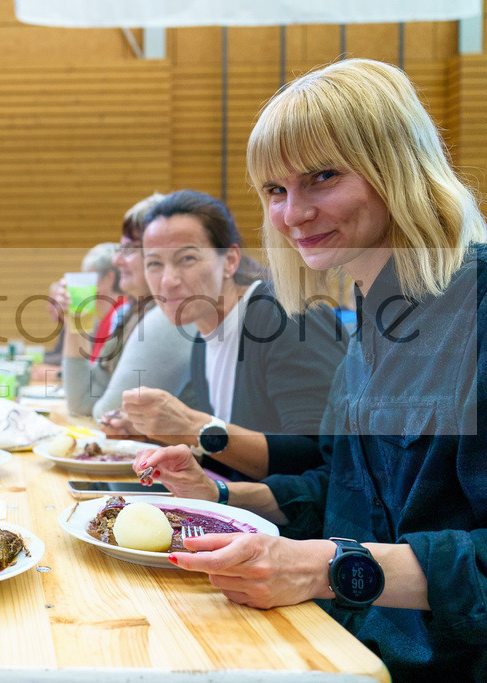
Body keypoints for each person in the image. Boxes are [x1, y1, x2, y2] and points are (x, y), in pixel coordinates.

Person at [132, 58, 487, 681]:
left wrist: (324, 567)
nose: (292, 213)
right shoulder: (370, 319)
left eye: (323, 176)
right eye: (275, 190)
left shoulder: (475, 307)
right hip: (340, 646)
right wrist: (217, 497)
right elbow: (347, 498)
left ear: (398, 170)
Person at [120, 190, 347, 480]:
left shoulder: (286, 315)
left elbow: (320, 459)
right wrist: (157, 437)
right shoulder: (202, 339)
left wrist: (193, 425)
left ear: (230, 260)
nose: (168, 281)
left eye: (187, 259)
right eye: (154, 263)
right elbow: (236, 461)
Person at [60, 195, 195, 421]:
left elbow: (107, 415)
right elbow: (82, 402)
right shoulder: (131, 313)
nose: (117, 260)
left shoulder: (168, 318)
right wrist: (73, 320)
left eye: (130, 249)